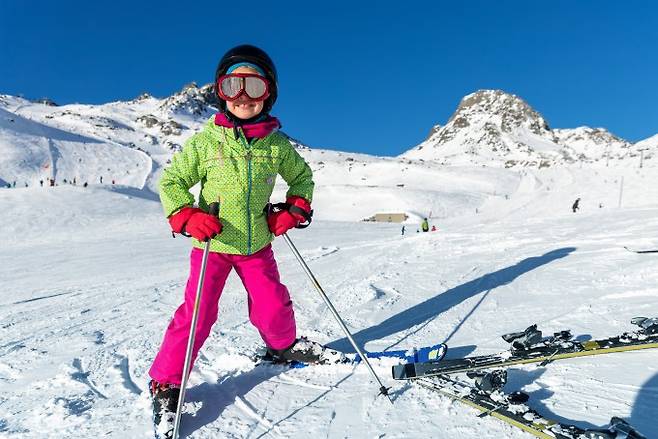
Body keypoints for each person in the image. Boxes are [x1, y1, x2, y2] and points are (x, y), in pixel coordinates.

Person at [148, 44, 318, 425]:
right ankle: (165, 382)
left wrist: (293, 210)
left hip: (256, 243)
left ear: (268, 94)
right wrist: (186, 216)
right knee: (198, 314)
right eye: (233, 86)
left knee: (273, 303)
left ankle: (282, 347)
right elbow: (173, 182)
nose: (243, 97)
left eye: (253, 87)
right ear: (220, 92)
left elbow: (303, 179)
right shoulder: (206, 142)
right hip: (212, 245)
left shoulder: (276, 146)